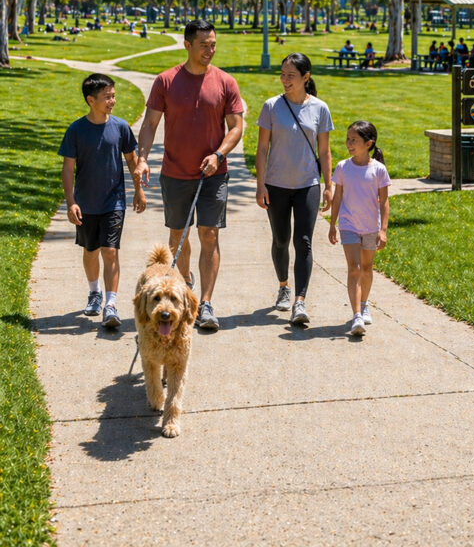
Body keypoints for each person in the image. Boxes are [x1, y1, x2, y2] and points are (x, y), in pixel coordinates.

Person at [135, 20, 243, 332]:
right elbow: (150, 124)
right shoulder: (166, 81)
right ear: (187, 45)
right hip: (176, 173)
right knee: (178, 238)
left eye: (213, 44)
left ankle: (205, 303)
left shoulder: (225, 82)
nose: (210, 50)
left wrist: (219, 154)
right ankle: (185, 288)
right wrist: (142, 159)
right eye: (204, 45)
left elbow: (236, 127)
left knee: (209, 234)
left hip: (213, 174)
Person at [59, 73, 146, 328]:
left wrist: (138, 191)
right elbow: (67, 168)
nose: (113, 101)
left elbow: (131, 161)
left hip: (113, 201)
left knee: (110, 250)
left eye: (113, 95)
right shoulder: (76, 130)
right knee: (90, 250)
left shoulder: (120, 127)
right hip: (86, 203)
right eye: (107, 97)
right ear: (90, 100)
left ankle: (110, 304)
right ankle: (94, 292)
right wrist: (71, 201)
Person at [256, 52, 333, 326]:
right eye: (283, 74)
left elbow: (324, 151)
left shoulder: (320, 109)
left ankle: (299, 302)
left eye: (291, 76)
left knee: (303, 241)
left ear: (305, 77)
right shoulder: (271, 106)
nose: (285, 80)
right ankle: (283, 285)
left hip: (307, 185)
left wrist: (328, 185)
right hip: (276, 185)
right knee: (280, 239)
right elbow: (262, 148)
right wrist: (260, 184)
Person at [328, 121, 390, 337]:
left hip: (370, 226)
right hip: (348, 225)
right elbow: (337, 197)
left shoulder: (378, 170)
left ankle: (364, 304)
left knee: (366, 267)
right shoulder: (343, 167)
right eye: (348, 139)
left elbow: (384, 202)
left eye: (354, 140)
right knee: (353, 267)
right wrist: (332, 224)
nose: (349, 143)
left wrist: (383, 230)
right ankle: (356, 316)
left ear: (368, 143)